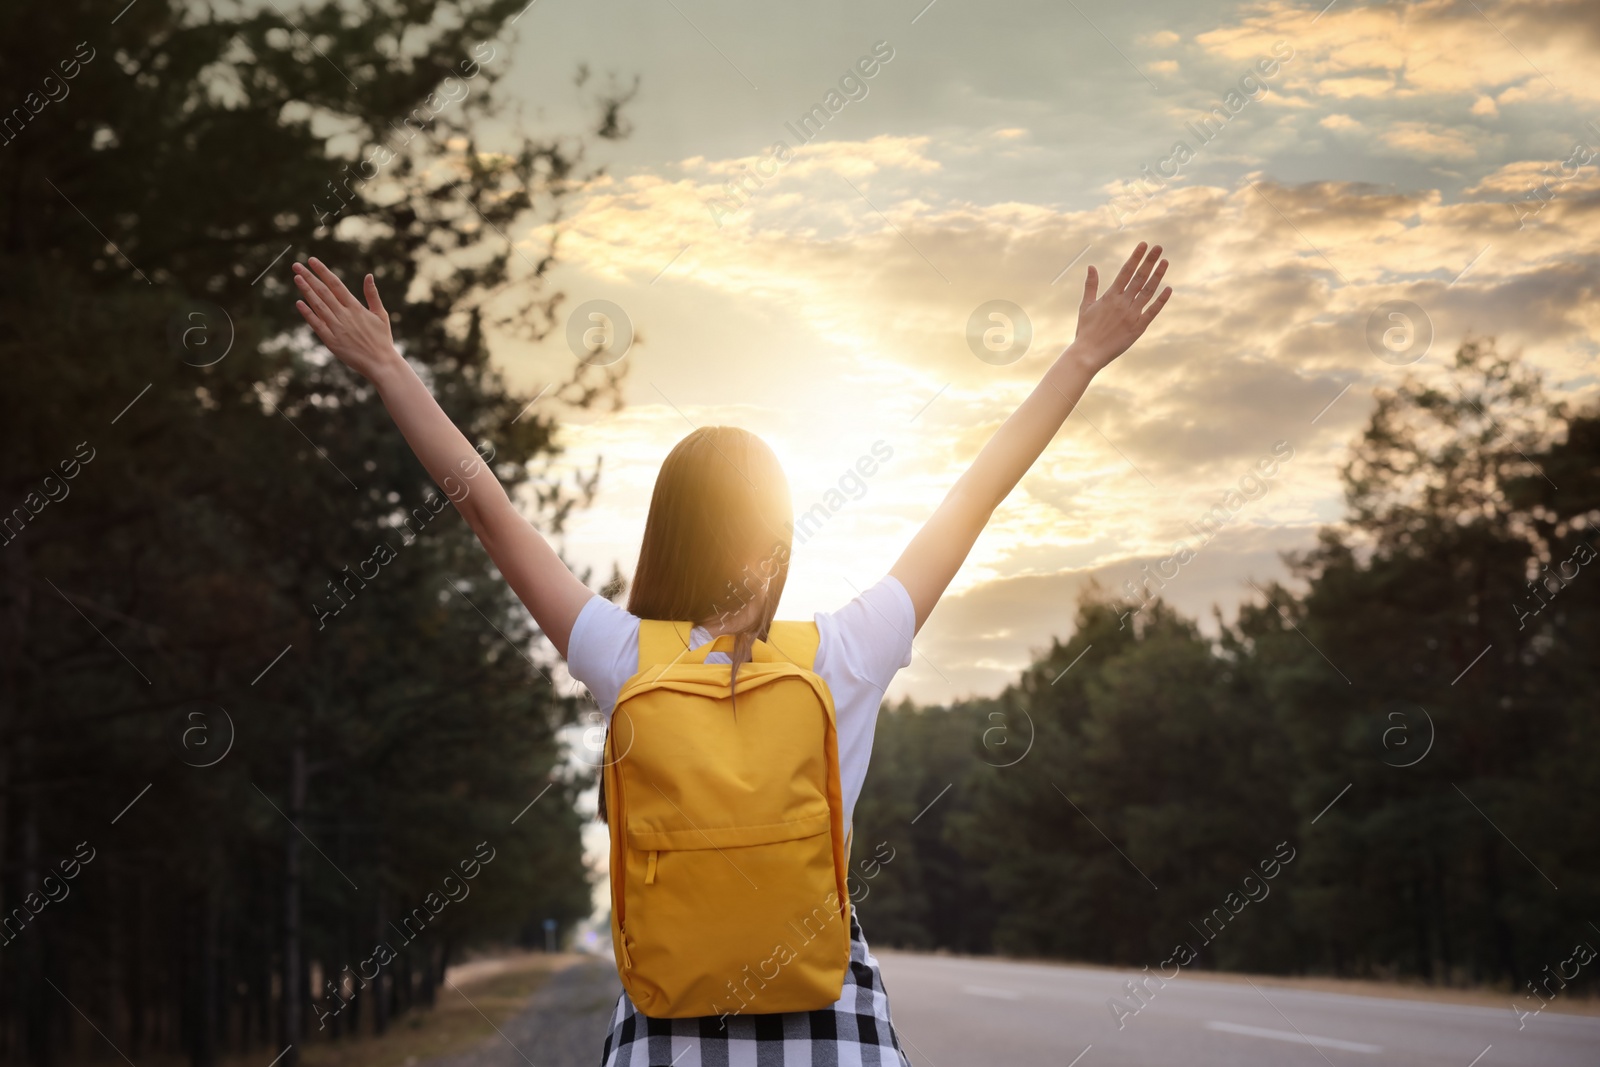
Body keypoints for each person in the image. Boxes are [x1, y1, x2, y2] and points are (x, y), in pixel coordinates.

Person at [289, 241, 1173, 1065]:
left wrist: (388, 367)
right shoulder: (844, 653)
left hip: (668, 1034)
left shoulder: (623, 653)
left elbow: (483, 506)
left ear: (664, 536)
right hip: (836, 1030)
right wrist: (1081, 358)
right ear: (777, 546)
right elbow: (974, 496)